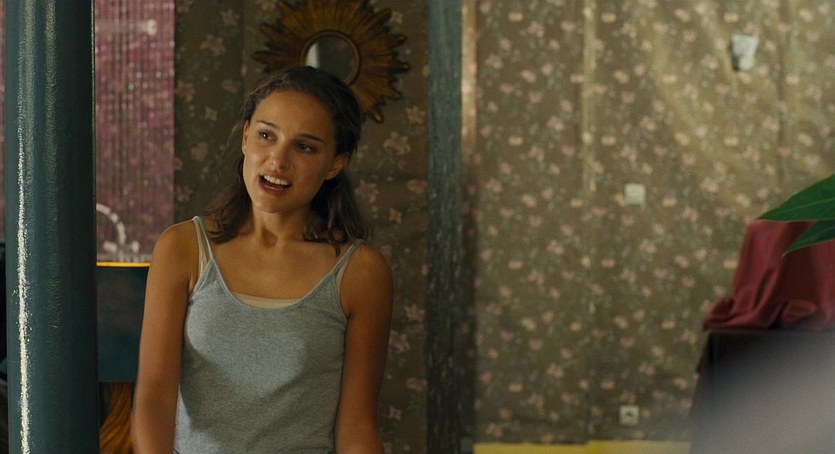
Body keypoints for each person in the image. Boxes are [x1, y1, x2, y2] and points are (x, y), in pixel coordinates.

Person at [132, 65, 393, 454]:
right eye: (266, 135)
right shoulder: (182, 249)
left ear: (335, 164)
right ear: (245, 138)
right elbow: (154, 399)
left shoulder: (361, 272)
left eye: (305, 147)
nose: (278, 160)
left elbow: (357, 426)